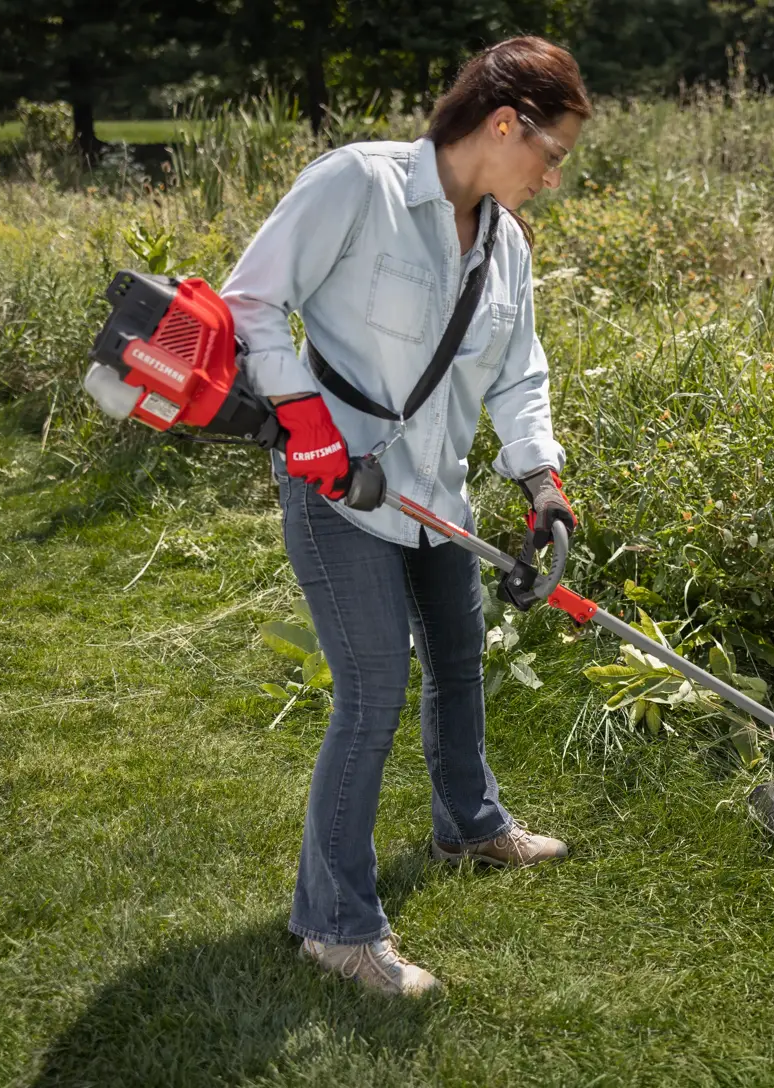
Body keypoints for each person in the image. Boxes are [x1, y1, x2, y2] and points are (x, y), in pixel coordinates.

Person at [220, 37, 591, 997]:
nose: (552, 177)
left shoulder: (506, 244)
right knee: (375, 689)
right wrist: (303, 419)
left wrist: (541, 482)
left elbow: (519, 376)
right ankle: (335, 924)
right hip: (339, 490)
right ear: (504, 123)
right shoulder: (360, 185)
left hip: (436, 499)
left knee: (460, 663)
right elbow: (251, 302)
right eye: (550, 154)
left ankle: (470, 824)